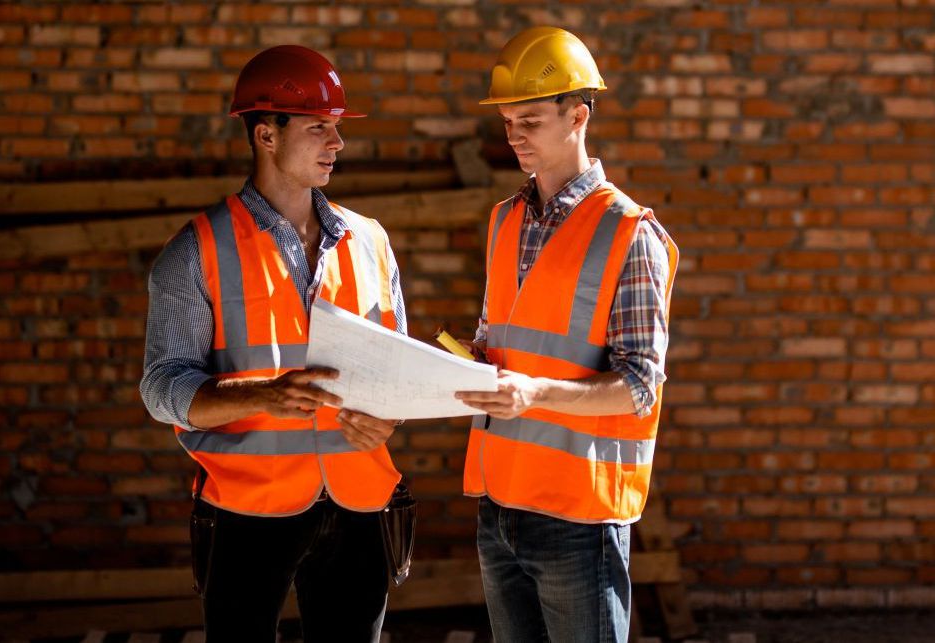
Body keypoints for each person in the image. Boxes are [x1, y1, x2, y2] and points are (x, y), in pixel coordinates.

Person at [140, 45, 407, 643]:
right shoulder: (196, 251)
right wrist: (264, 395)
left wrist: (386, 417)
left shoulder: (370, 241)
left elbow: (398, 370)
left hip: (360, 502)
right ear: (266, 135)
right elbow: (162, 390)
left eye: (336, 129)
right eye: (318, 128)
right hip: (245, 511)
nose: (335, 143)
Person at [455, 26, 680, 643]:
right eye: (507, 121)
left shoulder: (631, 235)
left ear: (577, 115)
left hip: (579, 517)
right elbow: (500, 340)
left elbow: (639, 387)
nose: (514, 136)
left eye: (530, 119)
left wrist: (535, 393)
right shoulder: (504, 221)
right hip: (500, 505)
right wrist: (463, 366)